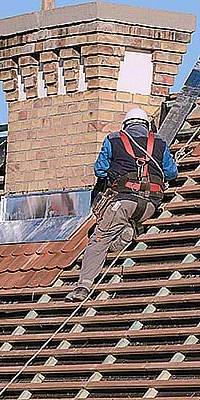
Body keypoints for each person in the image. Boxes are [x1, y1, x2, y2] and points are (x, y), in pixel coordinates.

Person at [65, 108, 178, 302]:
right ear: (146, 125)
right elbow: (171, 173)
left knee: (98, 240)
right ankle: (128, 230)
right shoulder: (159, 142)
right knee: (124, 222)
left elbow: (100, 171)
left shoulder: (113, 139)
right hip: (151, 204)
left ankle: (83, 286)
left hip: (124, 202)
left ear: (126, 125)